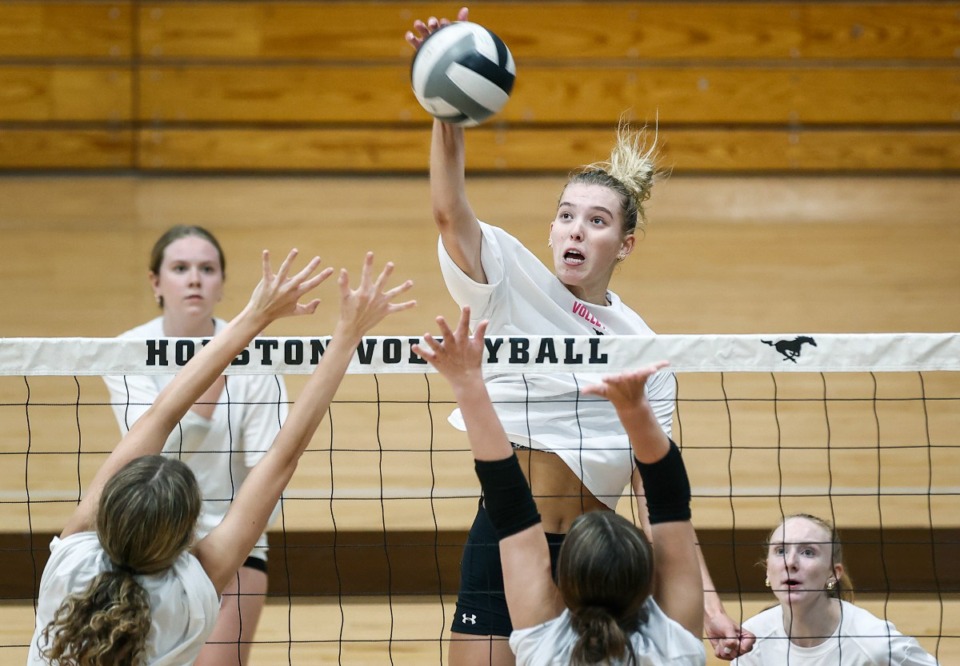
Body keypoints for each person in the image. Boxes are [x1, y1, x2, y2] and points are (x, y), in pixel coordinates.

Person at [406, 8, 752, 662]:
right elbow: (449, 209)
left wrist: (704, 599)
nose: (574, 230)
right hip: (509, 537)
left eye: (595, 221)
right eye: (566, 216)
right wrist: (444, 107)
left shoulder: (641, 346)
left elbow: (659, 492)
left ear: (624, 244)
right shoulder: (510, 282)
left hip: (602, 563)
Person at [29, 250, 415, 665]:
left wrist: (254, 316)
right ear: (185, 535)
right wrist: (345, 336)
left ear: (106, 512)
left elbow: (160, 415)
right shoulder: (189, 593)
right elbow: (281, 460)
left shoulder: (71, 559)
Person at [413, 308, 706, 665]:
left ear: (562, 581)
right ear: (646, 584)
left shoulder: (543, 646)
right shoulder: (673, 647)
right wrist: (635, 410)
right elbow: (669, 502)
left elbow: (508, 503)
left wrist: (467, 383)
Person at [102, 225, 286, 665]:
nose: (194, 279)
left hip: (234, 546)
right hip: (145, 542)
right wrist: (211, 374)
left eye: (207, 269)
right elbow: (151, 449)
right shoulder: (125, 350)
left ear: (222, 284)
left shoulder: (260, 357)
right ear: (156, 282)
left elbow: (268, 470)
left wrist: (233, 540)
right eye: (180, 268)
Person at [733, 514, 939, 665]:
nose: (791, 562)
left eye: (808, 552)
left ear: (833, 573)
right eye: (780, 550)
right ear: (768, 570)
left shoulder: (874, 642)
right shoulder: (754, 640)